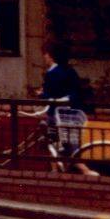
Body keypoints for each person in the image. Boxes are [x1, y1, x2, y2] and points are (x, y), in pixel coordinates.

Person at [38, 42, 92, 174]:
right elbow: (76, 91)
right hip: (72, 112)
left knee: (53, 141)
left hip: (56, 113)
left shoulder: (51, 74)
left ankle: (70, 169)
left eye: (45, 55)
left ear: (50, 56)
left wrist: (41, 94)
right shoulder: (70, 70)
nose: (44, 57)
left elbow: (49, 94)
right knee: (70, 141)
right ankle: (58, 169)